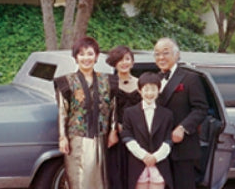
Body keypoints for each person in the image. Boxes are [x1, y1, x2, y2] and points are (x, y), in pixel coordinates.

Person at [53, 36, 118, 189]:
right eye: (81, 54)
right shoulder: (67, 82)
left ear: (96, 56)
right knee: (78, 180)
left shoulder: (107, 80)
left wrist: (113, 131)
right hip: (76, 139)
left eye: (90, 54)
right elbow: (63, 111)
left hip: (101, 138)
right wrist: (63, 137)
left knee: (100, 180)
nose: (86, 58)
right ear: (76, 57)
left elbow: (114, 106)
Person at [153, 37, 208, 189]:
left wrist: (183, 127)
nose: (161, 57)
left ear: (177, 55)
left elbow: (201, 108)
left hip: (182, 147)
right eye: (157, 54)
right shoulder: (154, 80)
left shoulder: (190, 78)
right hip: (158, 147)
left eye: (165, 53)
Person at [120, 72, 174, 189]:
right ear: (139, 90)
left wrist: (156, 157)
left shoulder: (167, 114)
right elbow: (127, 136)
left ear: (159, 91)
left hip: (159, 161)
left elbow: (168, 139)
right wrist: (144, 156)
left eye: (153, 89)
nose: (150, 93)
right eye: (146, 89)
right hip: (138, 161)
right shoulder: (129, 113)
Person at [105, 45, 141, 189]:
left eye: (127, 59)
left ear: (132, 62)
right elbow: (104, 110)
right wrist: (113, 128)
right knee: (115, 174)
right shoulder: (108, 83)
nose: (124, 63)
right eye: (120, 60)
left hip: (137, 136)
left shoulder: (142, 83)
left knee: (135, 174)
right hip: (116, 137)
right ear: (114, 63)